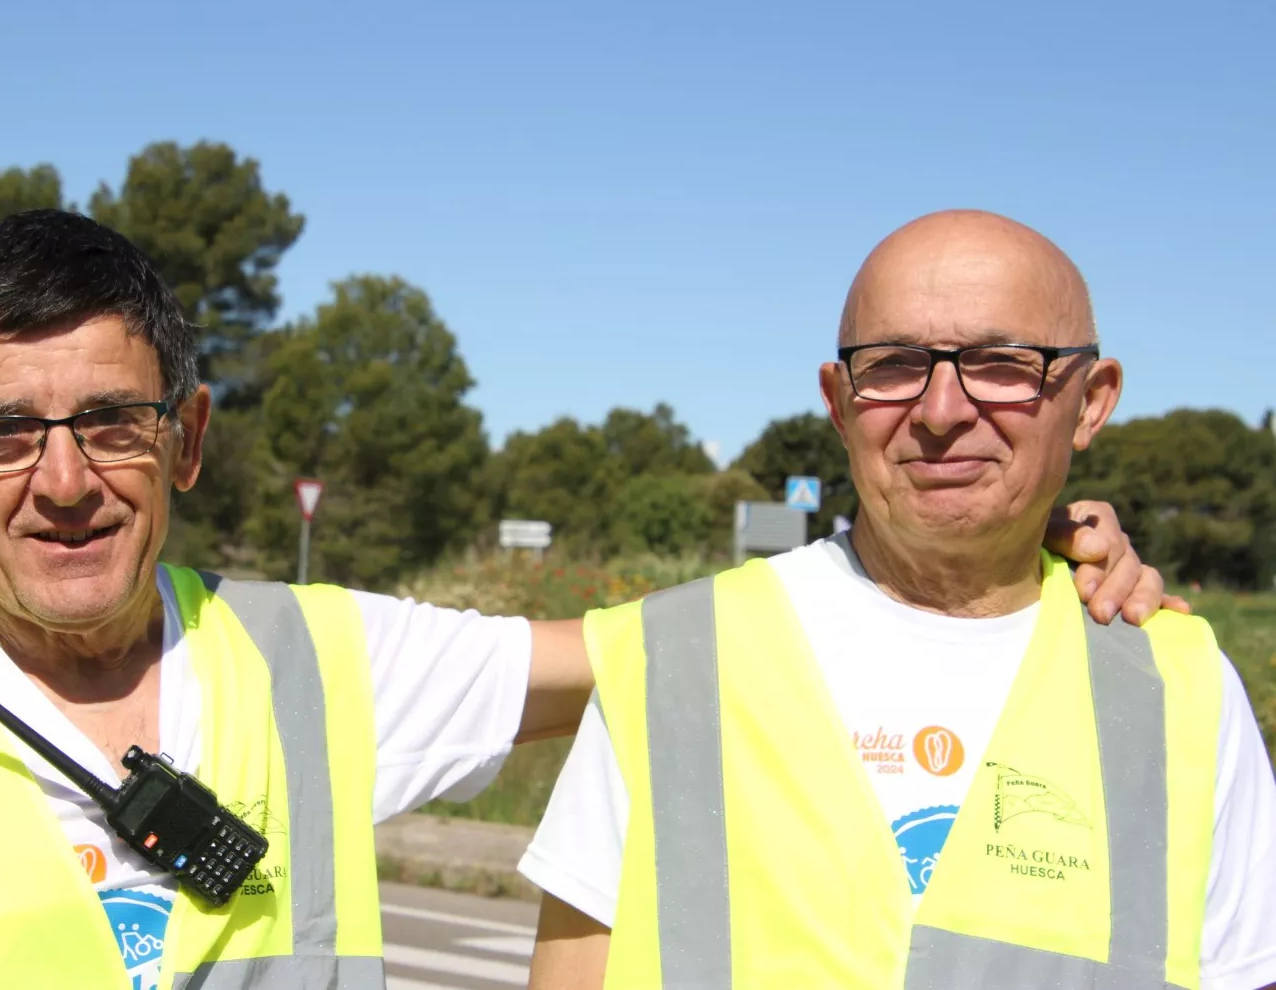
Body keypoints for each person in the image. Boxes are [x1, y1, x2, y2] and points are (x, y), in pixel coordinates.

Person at [0, 210, 1171, 990]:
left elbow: (704, 648)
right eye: (3, 430)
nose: (61, 479)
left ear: (187, 440)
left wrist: (1031, 563)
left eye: (115, 421)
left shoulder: (328, 660)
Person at [523, 210, 1276, 990]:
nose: (942, 410)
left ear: (1091, 402)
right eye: (891, 365)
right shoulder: (668, 660)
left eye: (1000, 363)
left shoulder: (1181, 688)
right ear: (839, 402)